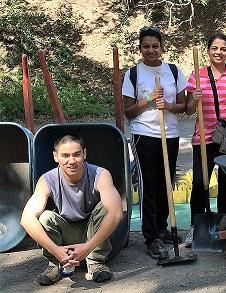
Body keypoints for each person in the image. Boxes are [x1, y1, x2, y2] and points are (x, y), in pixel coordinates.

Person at [20, 135, 123, 285]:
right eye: (65, 156)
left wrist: (87, 247)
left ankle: (96, 262)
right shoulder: (47, 179)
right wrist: (56, 250)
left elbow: (116, 213)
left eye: (76, 154)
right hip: (65, 234)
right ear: (56, 157)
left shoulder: (100, 174)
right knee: (45, 217)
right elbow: (26, 218)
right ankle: (55, 264)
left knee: (106, 208)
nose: (72, 161)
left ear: (84, 154)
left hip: (93, 231)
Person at [122, 27, 188, 259]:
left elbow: (184, 107)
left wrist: (167, 106)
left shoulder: (173, 71)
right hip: (144, 135)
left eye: (155, 46)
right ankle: (151, 237)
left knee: (165, 184)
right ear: (140, 48)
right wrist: (149, 99)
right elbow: (127, 112)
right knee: (148, 186)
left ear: (161, 47)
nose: (151, 50)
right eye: (146, 46)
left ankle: (162, 228)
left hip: (169, 134)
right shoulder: (133, 74)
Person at [185, 33, 226, 247]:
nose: (219, 52)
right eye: (214, 48)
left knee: (225, 181)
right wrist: (194, 98)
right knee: (199, 182)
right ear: (208, 50)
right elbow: (188, 110)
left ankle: (224, 221)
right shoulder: (197, 75)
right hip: (203, 136)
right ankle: (196, 225)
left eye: (223, 49)